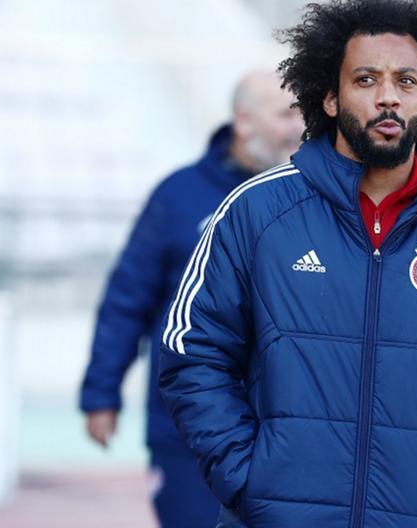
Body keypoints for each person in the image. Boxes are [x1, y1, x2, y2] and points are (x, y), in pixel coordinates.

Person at [159, 1, 417, 527]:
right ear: (330, 97)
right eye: (366, 79)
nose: (388, 96)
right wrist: (248, 479)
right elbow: (193, 351)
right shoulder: (256, 213)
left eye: (406, 81)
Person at [79, 71, 304, 527]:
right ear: (244, 120)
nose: (298, 127)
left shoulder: (312, 201)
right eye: (285, 114)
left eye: (302, 114)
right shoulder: (178, 195)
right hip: (187, 431)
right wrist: (101, 392)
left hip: (286, 430)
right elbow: (128, 299)